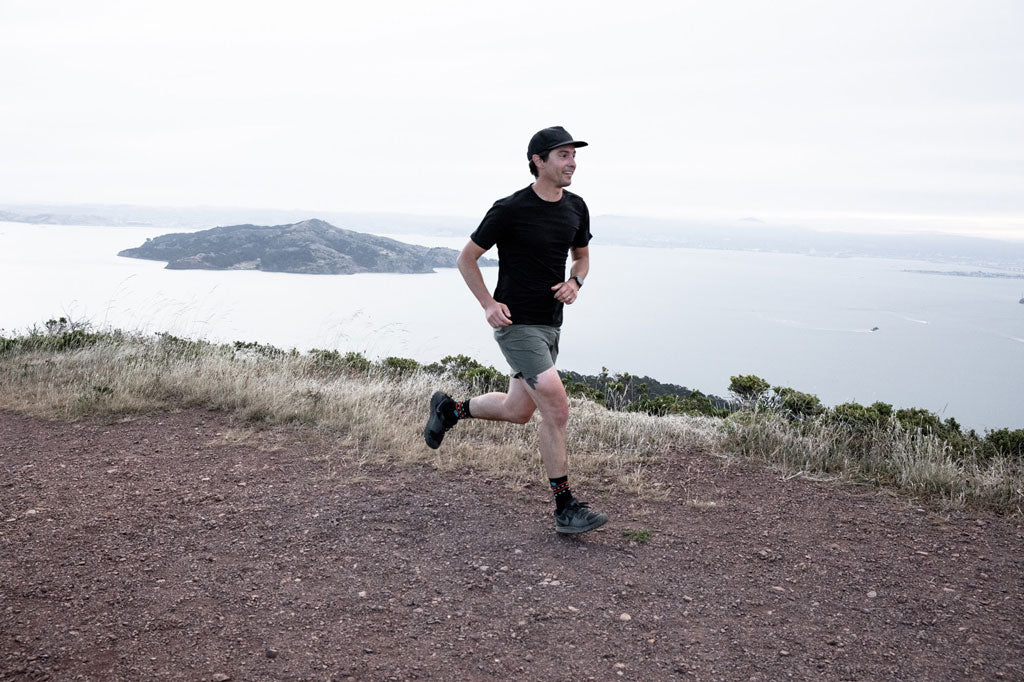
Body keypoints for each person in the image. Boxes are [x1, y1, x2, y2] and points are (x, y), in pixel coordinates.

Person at [423, 125, 608, 535]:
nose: (572, 161)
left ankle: (449, 410)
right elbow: (466, 259)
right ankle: (565, 508)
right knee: (557, 408)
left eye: (573, 155)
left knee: (518, 410)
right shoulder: (509, 209)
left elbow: (582, 257)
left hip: (550, 325)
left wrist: (575, 282)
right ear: (538, 161)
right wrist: (488, 304)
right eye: (562, 155)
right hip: (517, 325)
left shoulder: (576, 207)